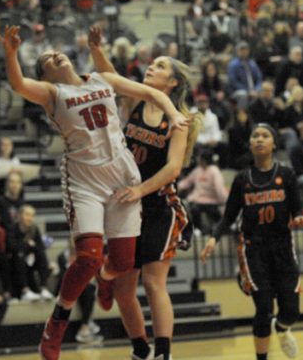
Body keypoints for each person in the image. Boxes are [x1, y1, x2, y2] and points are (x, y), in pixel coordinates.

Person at [0, 24, 189, 360]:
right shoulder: (52, 95)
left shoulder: (102, 80)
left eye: (56, 52)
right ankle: (58, 320)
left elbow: (154, 94)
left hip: (121, 178)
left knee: (122, 262)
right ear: (47, 76)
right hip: (84, 180)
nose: (55, 55)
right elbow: (17, 84)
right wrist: (11, 53)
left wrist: (174, 115)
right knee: (87, 255)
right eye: (47, 59)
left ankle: (104, 278)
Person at [89, 26, 201, 360]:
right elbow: (109, 76)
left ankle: (164, 353)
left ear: (173, 83)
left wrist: (139, 189)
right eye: (152, 64)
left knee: (154, 283)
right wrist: (97, 48)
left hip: (158, 205)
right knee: (125, 289)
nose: (151, 67)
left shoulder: (179, 120)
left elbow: (173, 169)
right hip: (128, 203)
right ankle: (141, 349)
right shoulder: (137, 99)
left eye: (161, 66)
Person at [200, 124, 303, 360]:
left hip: (282, 247)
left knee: (291, 310)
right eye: (255, 136)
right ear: (250, 144)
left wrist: (300, 218)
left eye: (265, 135)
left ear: (274, 144)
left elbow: (297, 208)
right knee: (264, 308)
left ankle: (282, 328)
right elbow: (229, 216)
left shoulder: (287, 174)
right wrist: (213, 238)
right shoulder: (242, 179)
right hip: (253, 249)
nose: (260, 139)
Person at [7, 205, 54, 302]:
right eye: (27, 215)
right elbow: (12, 247)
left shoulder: (34, 229)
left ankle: (44, 289)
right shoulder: (12, 228)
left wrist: (27, 246)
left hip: (30, 260)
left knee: (41, 255)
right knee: (20, 255)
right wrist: (28, 245)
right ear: (19, 216)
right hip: (14, 262)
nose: (30, 218)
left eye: (32, 215)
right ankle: (25, 291)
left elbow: (40, 247)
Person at [178, 147, 228, 236]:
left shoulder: (214, 171)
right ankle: (198, 229)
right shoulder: (197, 170)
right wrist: (178, 187)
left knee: (216, 214)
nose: (197, 159)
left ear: (203, 160)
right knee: (194, 209)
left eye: (199, 158)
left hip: (212, 201)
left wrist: (224, 201)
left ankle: (223, 228)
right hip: (197, 200)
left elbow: (219, 188)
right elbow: (186, 182)